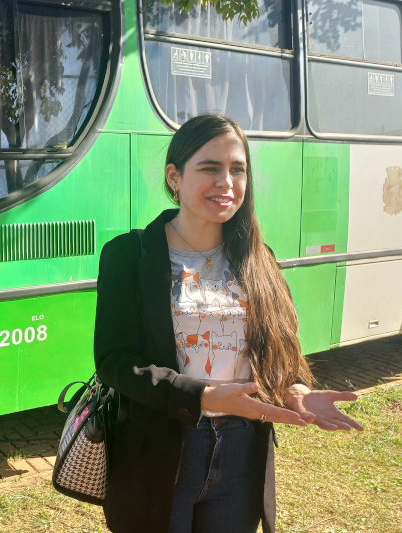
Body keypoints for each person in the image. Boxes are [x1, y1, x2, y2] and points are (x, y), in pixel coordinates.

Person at [93, 114, 363, 533]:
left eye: (238, 169)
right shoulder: (129, 255)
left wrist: (295, 390)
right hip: (162, 453)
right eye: (210, 168)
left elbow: (276, 353)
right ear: (174, 176)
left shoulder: (260, 258)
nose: (227, 182)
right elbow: (113, 361)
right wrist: (203, 396)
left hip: (242, 450)